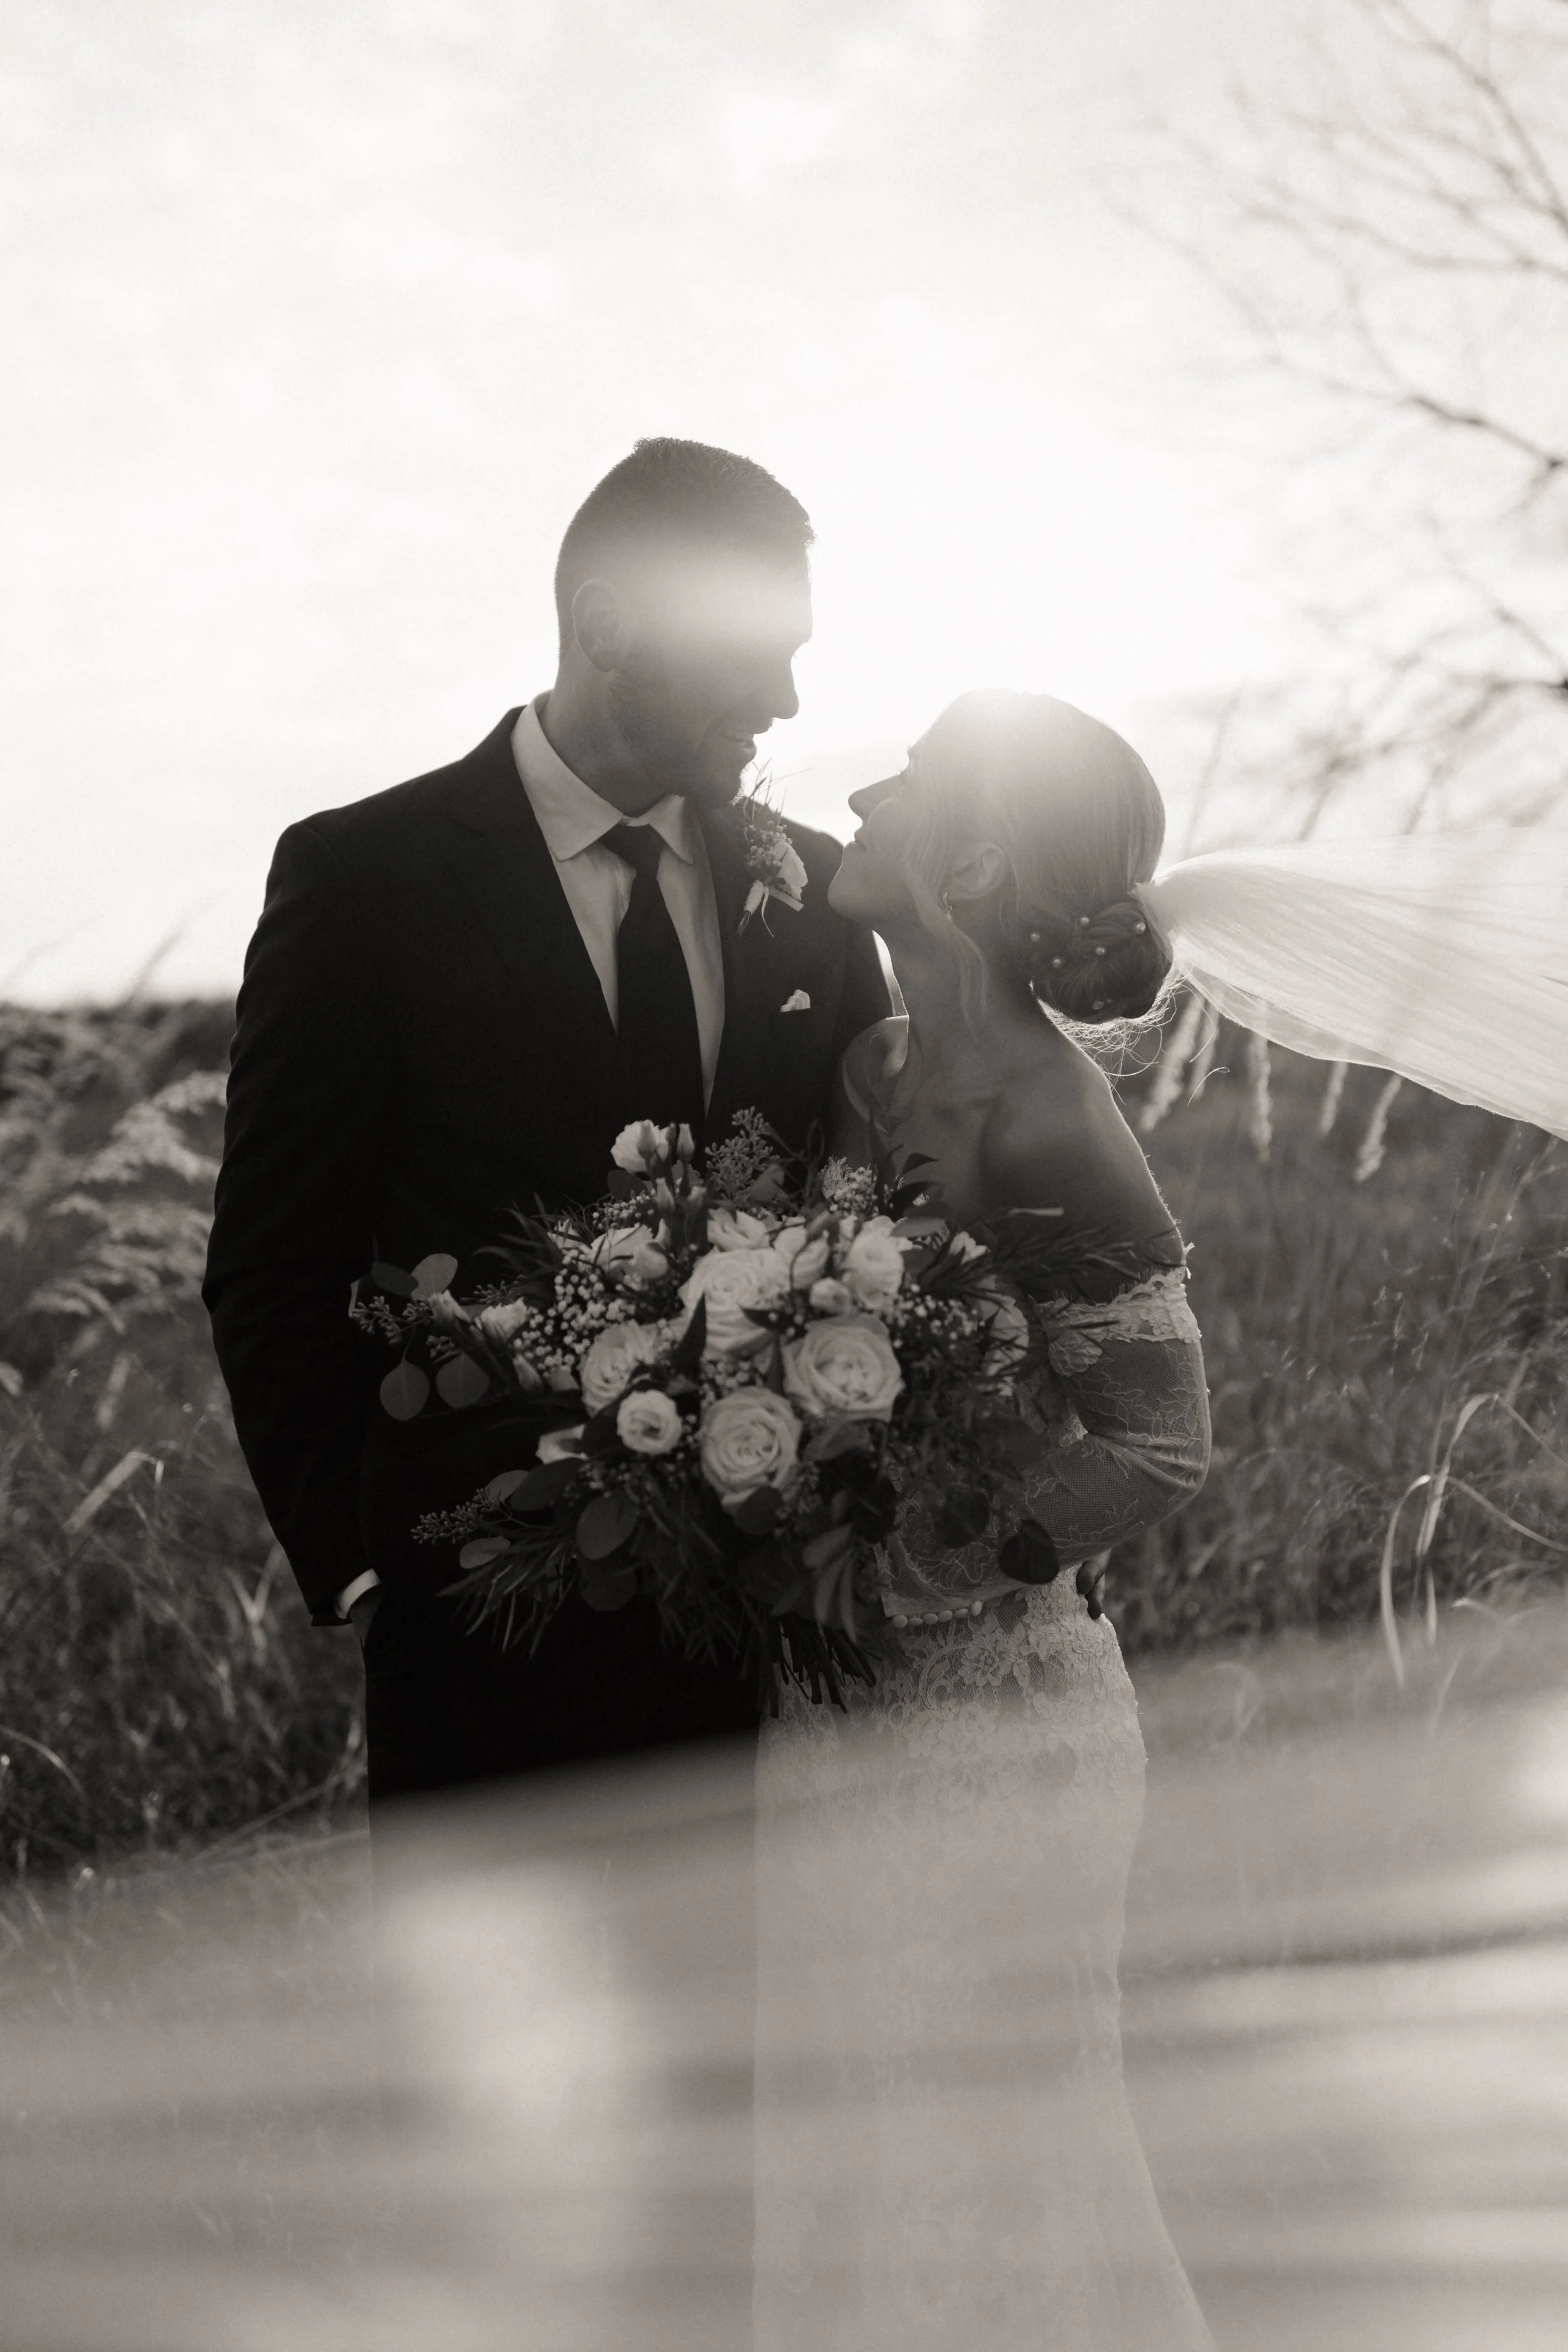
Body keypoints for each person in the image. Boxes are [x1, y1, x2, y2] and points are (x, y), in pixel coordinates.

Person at [203, 439, 889, 1804]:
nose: (789, 696)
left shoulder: (815, 889)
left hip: (780, 1654)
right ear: (604, 624)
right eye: (756, 648)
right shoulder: (361, 882)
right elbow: (277, 1260)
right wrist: (366, 1562)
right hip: (480, 1657)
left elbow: (864, 1214)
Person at [754, 690, 1216, 2350]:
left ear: (966, 861)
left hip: (990, 1724)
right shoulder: (876, 1065)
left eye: (915, 781)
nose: (864, 789)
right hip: (826, 1712)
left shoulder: (1043, 1110)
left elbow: (1158, 1445)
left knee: (993, 2157)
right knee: (846, 2146)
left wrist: (902, 1575)